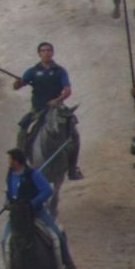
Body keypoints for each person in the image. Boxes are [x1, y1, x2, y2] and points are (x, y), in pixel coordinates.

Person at [0, 146, 81, 269]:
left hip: (36, 212)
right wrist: (7, 203)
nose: (8, 161)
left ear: (16, 161)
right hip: (17, 215)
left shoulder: (33, 174)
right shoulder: (10, 174)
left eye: (10, 159)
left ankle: (68, 267)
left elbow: (47, 191)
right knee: (4, 242)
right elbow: (9, 192)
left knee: (57, 235)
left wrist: (32, 203)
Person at [13, 42, 81, 179]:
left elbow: (67, 90)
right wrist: (19, 82)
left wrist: (57, 100)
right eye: (43, 50)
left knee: (74, 133)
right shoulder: (32, 71)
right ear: (39, 53)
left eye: (49, 50)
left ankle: (72, 168)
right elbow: (16, 86)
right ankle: (21, 164)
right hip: (38, 109)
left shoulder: (60, 71)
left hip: (57, 108)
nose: (46, 52)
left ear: (52, 52)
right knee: (22, 129)